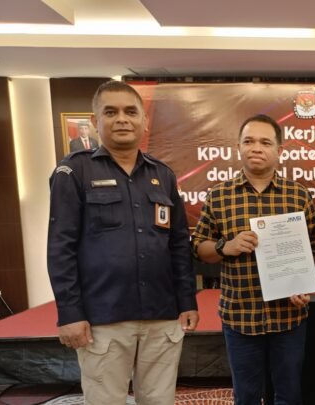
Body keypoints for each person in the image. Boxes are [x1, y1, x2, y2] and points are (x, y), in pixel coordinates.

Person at [47, 80, 199, 405]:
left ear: (144, 120)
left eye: (131, 112)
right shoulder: (73, 171)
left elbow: (178, 244)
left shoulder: (163, 175)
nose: (122, 119)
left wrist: (187, 300)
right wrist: (69, 313)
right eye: (111, 112)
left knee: (159, 401)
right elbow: (61, 247)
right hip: (103, 317)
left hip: (162, 315)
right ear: (95, 121)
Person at [192, 114, 315, 404]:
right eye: (249, 141)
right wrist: (227, 246)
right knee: (247, 396)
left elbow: (313, 249)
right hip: (240, 316)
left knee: (289, 395)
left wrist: (301, 282)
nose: (256, 148)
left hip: (288, 317)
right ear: (239, 147)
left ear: (279, 150)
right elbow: (199, 247)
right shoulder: (219, 195)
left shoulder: (298, 195)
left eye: (265, 142)